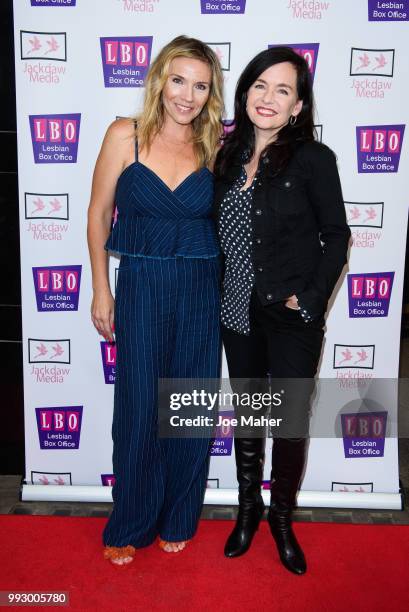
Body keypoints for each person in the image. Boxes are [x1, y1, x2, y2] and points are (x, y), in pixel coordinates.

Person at [213, 46, 351, 575]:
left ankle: (282, 519)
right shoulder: (223, 155)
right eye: (260, 85)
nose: (268, 98)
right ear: (245, 92)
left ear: (298, 106)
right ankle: (248, 510)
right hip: (235, 307)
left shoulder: (315, 159)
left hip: (291, 315)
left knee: (288, 421)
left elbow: (337, 236)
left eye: (283, 90)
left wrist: (311, 299)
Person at [87, 35, 224, 565]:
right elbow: (99, 216)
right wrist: (102, 288)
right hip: (141, 286)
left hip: (199, 291)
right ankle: (131, 519)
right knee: (140, 408)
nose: (187, 95)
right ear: (160, 79)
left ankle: (178, 515)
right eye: (179, 80)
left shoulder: (214, 145)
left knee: (188, 408)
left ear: (210, 94)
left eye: (200, 85)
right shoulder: (127, 135)